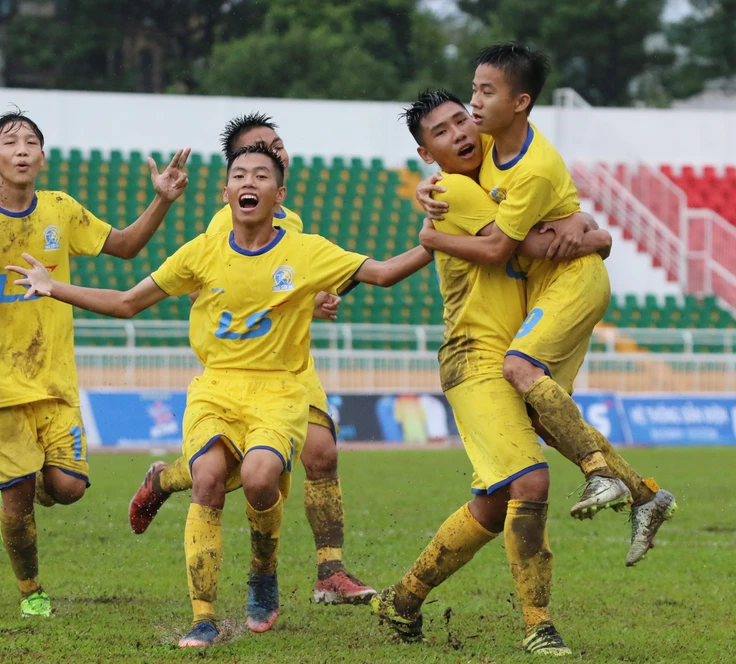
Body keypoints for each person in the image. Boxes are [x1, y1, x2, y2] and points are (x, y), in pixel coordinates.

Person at [5, 145, 433, 647]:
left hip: (278, 390)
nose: (249, 182)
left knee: (258, 478)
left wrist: (435, 241)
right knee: (207, 477)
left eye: (261, 176)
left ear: (280, 195)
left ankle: (262, 572)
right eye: (239, 175)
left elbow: (382, 273)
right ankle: (203, 618)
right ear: (225, 192)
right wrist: (52, 286)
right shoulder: (203, 251)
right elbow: (126, 302)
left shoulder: (306, 250)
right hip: (217, 388)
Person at [0, 110, 191, 617]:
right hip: (0, 388)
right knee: (17, 498)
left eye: (30, 142)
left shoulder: (61, 209)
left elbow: (126, 246)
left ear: (42, 157)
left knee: (68, 488)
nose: (21, 149)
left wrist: (162, 200)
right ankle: (31, 591)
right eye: (10, 142)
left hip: (56, 381)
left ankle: (33, 483)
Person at [371, 90, 617, 656]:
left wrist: (589, 229)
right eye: (441, 131)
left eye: (462, 120)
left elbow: (551, 226)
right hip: (476, 357)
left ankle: (402, 600)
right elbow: (525, 246)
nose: (458, 132)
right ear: (426, 153)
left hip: (504, 356)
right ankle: (538, 624)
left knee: (492, 501)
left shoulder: (492, 181)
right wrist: (596, 235)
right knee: (531, 482)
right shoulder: (456, 190)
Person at [415, 44, 676, 566]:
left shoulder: (530, 166)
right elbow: (559, 217)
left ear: (520, 102)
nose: (471, 111)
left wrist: (433, 236)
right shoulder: (487, 147)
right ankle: (645, 495)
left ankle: (599, 474)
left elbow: (506, 247)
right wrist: (430, 188)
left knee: (518, 368)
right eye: (473, 93)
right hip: (552, 283)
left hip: (570, 280)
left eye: (484, 95)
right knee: (542, 414)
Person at [128, 113, 375, 605]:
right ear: (232, 171)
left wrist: (314, 300)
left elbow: (290, 280)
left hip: (289, 366)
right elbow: (212, 289)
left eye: (277, 145)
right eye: (259, 147)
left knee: (322, 454)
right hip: (242, 370)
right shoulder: (225, 223)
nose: (274, 152)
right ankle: (168, 478)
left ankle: (330, 571)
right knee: (228, 471)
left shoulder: (290, 221)